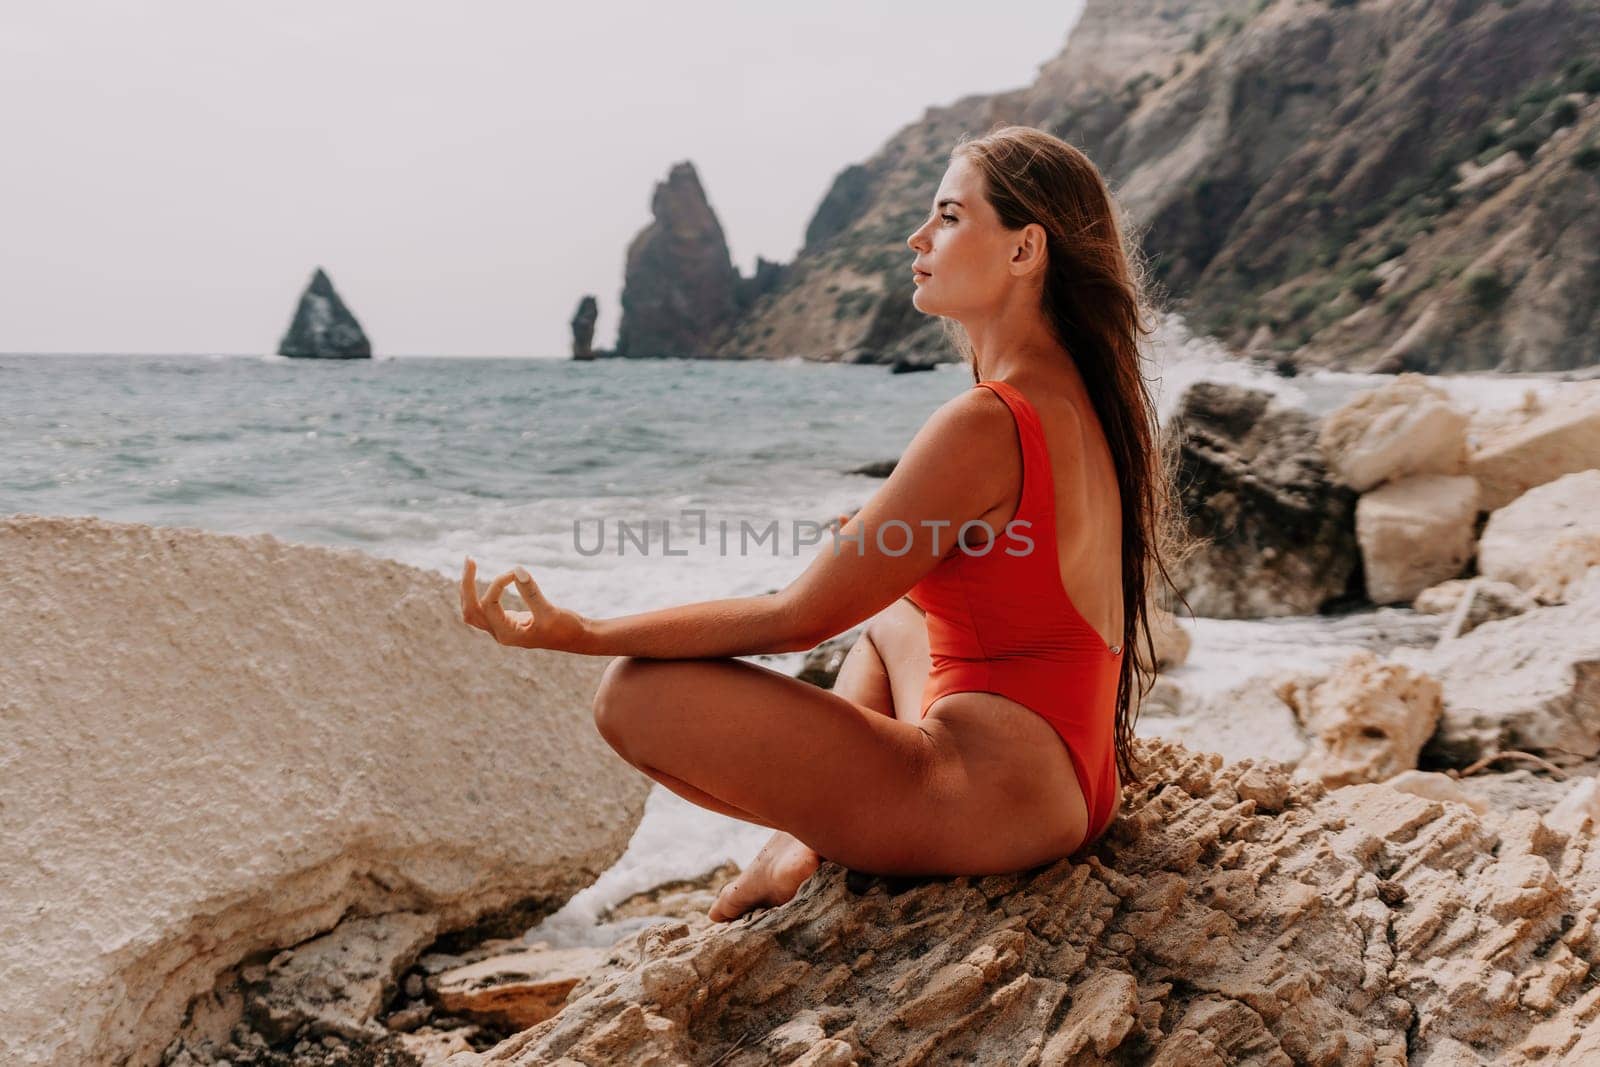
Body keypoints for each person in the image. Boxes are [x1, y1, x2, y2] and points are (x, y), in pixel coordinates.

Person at [459, 123, 1189, 925]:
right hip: (1072, 778)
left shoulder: (986, 421)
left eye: (948, 216)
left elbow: (796, 619)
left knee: (632, 694)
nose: (919, 237)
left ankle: (797, 846)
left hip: (988, 802)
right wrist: (886, 551)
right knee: (886, 617)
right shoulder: (1089, 396)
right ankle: (803, 840)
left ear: (1025, 251)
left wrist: (581, 629)